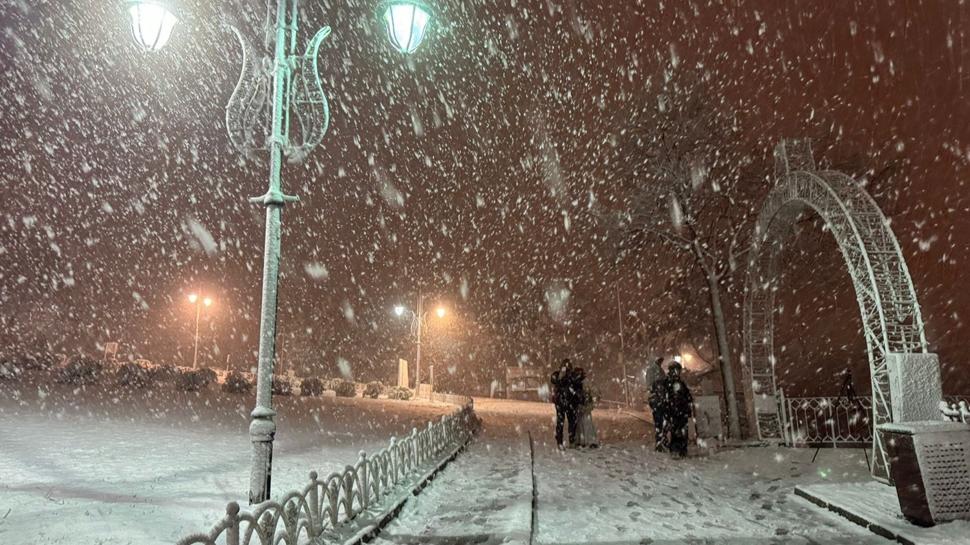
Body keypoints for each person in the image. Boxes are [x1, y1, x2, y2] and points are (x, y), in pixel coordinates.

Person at [664, 361, 694, 458]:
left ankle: (681, 449)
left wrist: (688, 400)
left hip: (680, 410)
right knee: (676, 430)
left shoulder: (678, 382)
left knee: (681, 430)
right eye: (676, 370)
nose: (678, 372)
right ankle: (677, 449)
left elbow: (686, 394)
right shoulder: (671, 382)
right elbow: (675, 396)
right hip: (675, 410)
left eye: (678, 370)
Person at [550, 358, 574, 448]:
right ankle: (560, 440)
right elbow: (555, 381)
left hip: (568, 401)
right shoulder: (558, 375)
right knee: (561, 421)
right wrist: (561, 375)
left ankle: (570, 440)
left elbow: (574, 385)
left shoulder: (570, 376)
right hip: (561, 401)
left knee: (570, 421)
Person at [646, 357, 669, 451]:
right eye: (660, 360)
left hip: (658, 399)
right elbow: (650, 385)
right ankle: (660, 442)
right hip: (657, 399)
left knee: (661, 422)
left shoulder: (659, 370)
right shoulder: (653, 370)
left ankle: (662, 441)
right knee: (660, 421)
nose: (661, 362)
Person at [575, 373, 599, 448]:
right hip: (582, 406)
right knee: (584, 424)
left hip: (583, 406)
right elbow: (595, 393)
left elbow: (595, 393)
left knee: (584, 424)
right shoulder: (584, 383)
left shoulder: (584, 383)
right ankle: (587, 441)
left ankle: (587, 441)